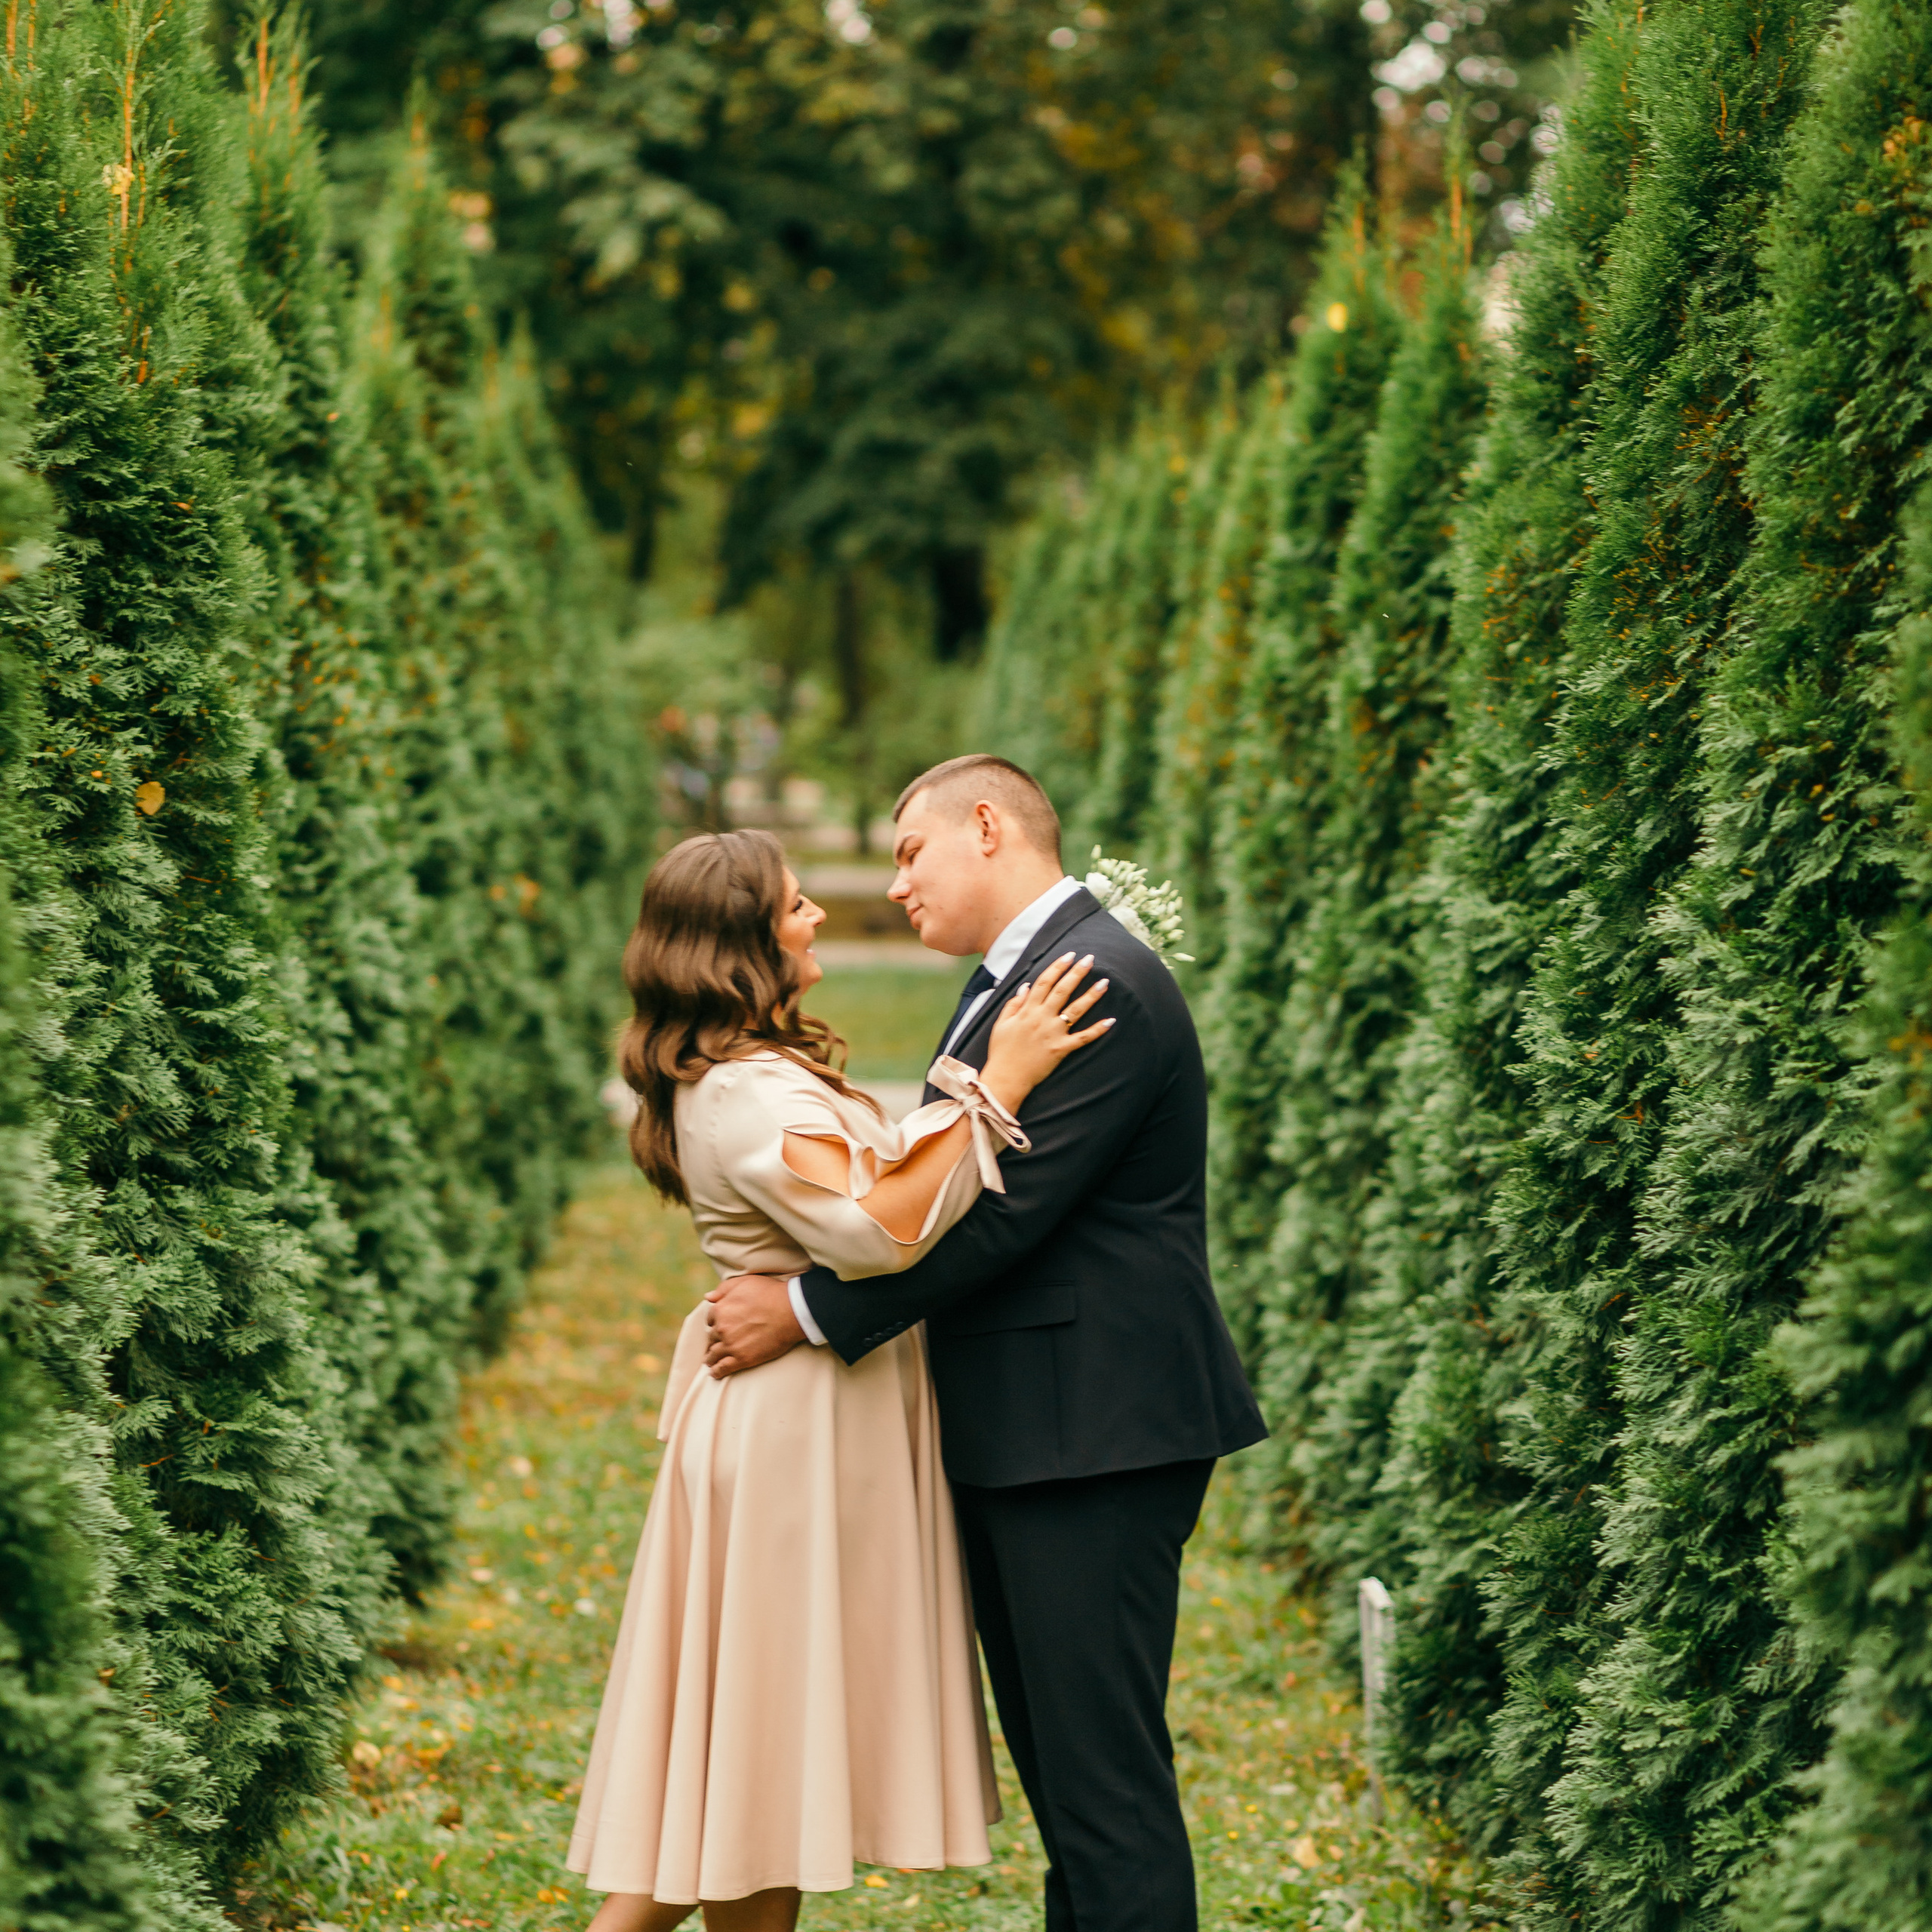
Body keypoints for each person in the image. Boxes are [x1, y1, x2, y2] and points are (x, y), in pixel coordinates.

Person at [706, 755, 1269, 1932]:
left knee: (1105, 1792)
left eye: (910, 852)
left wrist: (804, 1312)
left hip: (1096, 1433)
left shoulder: (1089, 980)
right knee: (1073, 1791)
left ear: (986, 827)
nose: (897, 884)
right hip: (1041, 1429)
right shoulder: (1017, 977)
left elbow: (1005, 1217)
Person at [568, 826, 1115, 1932]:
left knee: (749, 1770)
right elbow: (876, 1228)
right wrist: (1000, 1083)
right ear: (742, 943)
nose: (816, 915)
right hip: (792, 1433)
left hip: (804, 1413)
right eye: (795, 904)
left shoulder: (748, 1074)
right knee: (754, 1775)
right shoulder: (747, 1093)